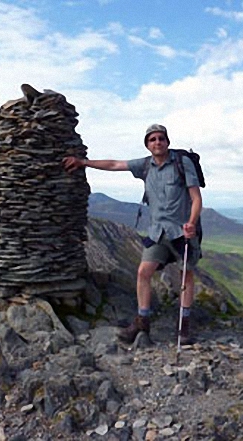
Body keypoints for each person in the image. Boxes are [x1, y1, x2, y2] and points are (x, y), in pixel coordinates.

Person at [63, 124, 202, 344]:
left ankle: (184, 328)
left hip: (181, 231)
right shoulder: (145, 165)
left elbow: (196, 198)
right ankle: (142, 323)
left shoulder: (181, 163)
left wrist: (192, 223)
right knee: (143, 272)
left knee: (186, 275)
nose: (157, 142)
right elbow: (115, 164)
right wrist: (84, 163)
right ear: (147, 145)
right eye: (152, 139)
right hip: (158, 232)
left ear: (167, 142)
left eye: (161, 138)